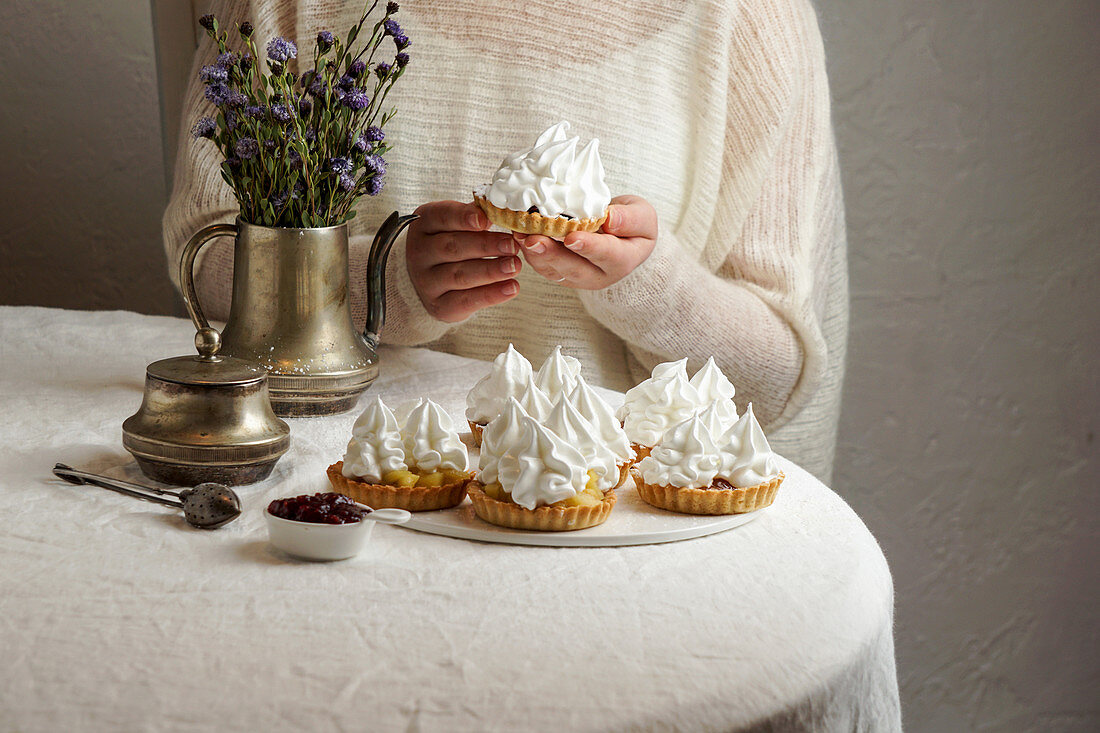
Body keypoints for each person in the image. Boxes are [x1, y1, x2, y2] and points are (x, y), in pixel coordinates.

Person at [163, 0, 848, 481]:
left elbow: (779, 378)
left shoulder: (750, 17)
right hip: (347, 502)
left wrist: (648, 286)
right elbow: (204, 260)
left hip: (612, 541)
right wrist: (387, 280)